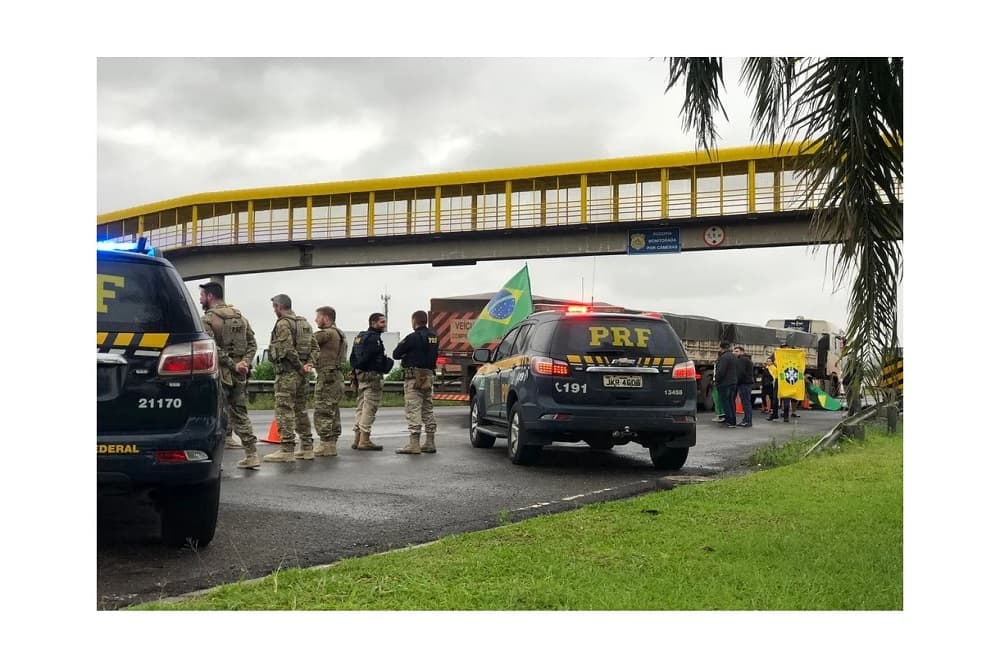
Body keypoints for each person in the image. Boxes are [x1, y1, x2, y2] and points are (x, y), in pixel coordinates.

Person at [199, 282, 260, 469]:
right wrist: (244, 363)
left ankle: (214, 460)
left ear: (210, 296)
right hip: (240, 374)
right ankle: (252, 454)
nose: (200, 299)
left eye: (202, 295)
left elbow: (211, 347)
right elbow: (253, 344)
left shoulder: (208, 319)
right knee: (240, 412)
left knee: (215, 415)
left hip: (220, 374)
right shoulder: (240, 318)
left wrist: (233, 365)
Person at [262, 294, 318, 463]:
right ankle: (307, 448)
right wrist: (309, 364)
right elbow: (315, 348)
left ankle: (287, 449)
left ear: (279, 307)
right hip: (303, 376)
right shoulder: (304, 323)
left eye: (274, 307)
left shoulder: (283, 324)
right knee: (301, 410)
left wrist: (300, 366)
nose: (274, 311)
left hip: (288, 373)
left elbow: (287, 349)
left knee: (284, 410)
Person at [392, 310, 439, 454]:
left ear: (414, 321)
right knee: (427, 409)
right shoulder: (434, 337)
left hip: (414, 378)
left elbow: (396, 354)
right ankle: (430, 442)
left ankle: (414, 444)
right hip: (428, 377)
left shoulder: (412, 337)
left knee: (413, 409)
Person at [350, 312, 391, 451]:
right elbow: (369, 358)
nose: (384, 325)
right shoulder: (374, 339)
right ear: (373, 323)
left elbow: (352, 357)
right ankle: (364, 440)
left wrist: (357, 369)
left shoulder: (359, 337)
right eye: (382, 322)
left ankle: (357, 439)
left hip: (360, 376)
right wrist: (382, 365)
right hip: (372, 376)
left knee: (361, 407)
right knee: (369, 408)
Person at [312, 306, 348, 457]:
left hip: (327, 376)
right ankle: (331, 444)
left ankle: (325, 444)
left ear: (326, 318)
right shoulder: (339, 333)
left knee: (323, 409)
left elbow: (307, 341)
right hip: (336, 376)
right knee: (333, 410)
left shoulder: (327, 333)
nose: (315, 320)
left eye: (318, 317)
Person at [714, 341, 739, 428]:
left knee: (725, 402)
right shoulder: (734, 357)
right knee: (731, 402)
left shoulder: (723, 358)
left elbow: (721, 372)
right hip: (733, 382)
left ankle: (729, 420)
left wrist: (716, 380)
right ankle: (733, 420)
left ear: (721, 348)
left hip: (724, 383)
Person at [734, 345, 754, 427]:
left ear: (742, 352)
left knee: (746, 403)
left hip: (744, 383)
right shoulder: (746, 359)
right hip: (746, 383)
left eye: (737, 351)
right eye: (734, 351)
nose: (734, 353)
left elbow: (741, 372)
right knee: (745, 402)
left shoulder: (742, 360)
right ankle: (746, 419)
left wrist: (736, 380)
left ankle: (748, 421)